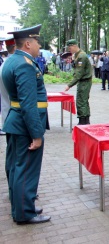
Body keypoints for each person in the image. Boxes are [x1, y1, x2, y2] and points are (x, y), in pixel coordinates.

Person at [2, 24, 50, 224]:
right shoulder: (24, 64)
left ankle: (21, 206)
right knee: (25, 170)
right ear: (28, 43)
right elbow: (28, 104)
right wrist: (37, 135)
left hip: (16, 122)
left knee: (16, 167)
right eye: (37, 41)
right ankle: (24, 213)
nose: (39, 44)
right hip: (25, 125)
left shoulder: (13, 61)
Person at [64, 39, 92, 125]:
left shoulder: (81, 56)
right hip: (83, 81)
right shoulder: (78, 55)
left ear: (74, 46)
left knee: (81, 101)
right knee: (83, 101)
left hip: (84, 81)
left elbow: (79, 73)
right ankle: (86, 122)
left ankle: (82, 123)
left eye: (70, 48)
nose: (69, 50)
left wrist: (69, 85)